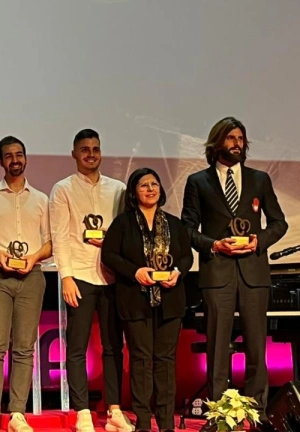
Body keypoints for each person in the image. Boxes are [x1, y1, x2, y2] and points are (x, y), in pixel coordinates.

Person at [181, 117, 287, 432]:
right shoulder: (198, 182)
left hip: (254, 273)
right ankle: (218, 415)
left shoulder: (259, 179)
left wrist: (258, 241)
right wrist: (214, 245)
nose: (237, 143)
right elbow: (187, 229)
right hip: (217, 273)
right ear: (217, 143)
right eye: (231, 138)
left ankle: (257, 413)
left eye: (241, 138)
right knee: (217, 348)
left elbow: (278, 222)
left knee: (256, 347)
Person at [49, 128, 133, 432]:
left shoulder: (118, 189)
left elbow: (126, 233)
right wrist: (66, 277)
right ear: (74, 154)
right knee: (77, 347)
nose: (91, 154)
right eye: (85, 149)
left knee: (113, 347)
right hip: (80, 276)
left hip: (112, 277)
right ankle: (82, 410)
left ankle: (114, 410)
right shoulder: (63, 189)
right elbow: (59, 236)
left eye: (96, 149)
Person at [0, 135, 52, 432]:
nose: (15, 160)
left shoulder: (41, 199)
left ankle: (17, 412)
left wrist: (34, 257)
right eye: (9, 156)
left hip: (32, 276)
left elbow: (50, 243)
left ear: (25, 158)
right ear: (1, 161)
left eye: (19, 155)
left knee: (25, 348)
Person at [101, 168, 193, 432]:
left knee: (165, 361)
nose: (150, 189)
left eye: (155, 184)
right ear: (134, 192)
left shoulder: (174, 223)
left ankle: (166, 423)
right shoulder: (123, 223)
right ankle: (142, 422)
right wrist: (135, 272)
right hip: (135, 300)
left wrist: (178, 272)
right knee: (141, 360)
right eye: (144, 185)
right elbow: (109, 255)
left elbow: (186, 256)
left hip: (170, 301)